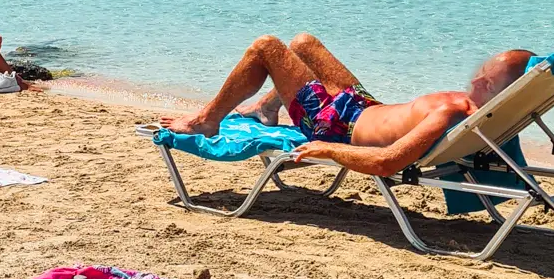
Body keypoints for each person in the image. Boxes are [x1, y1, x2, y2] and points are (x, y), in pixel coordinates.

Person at [160, 33, 534, 177]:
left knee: (265, 48)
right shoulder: (472, 104)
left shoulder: (453, 113)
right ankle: (267, 107)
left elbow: (388, 162)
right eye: (483, 70)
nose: (475, 79)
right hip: (360, 104)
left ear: (502, 91)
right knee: (303, 43)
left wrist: (330, 149)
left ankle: (207, 121)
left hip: (336, 125)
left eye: (488, 80)